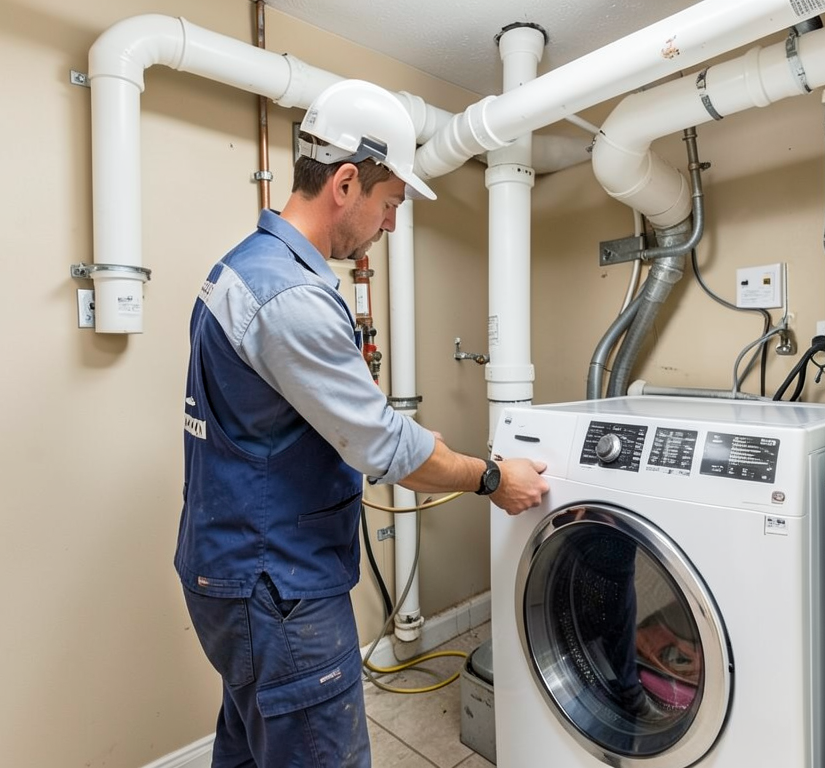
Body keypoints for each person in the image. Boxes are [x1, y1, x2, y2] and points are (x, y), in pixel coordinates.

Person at [174, 78, 549, 768]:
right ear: (346, 183)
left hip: (234, 570)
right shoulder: (291, 296)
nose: (392, 223)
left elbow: (290, 419)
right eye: (391, 202)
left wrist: (395, 438)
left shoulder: (244, 269)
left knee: (252, 748)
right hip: (279, 587)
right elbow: (386, 449)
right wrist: (493, 477)